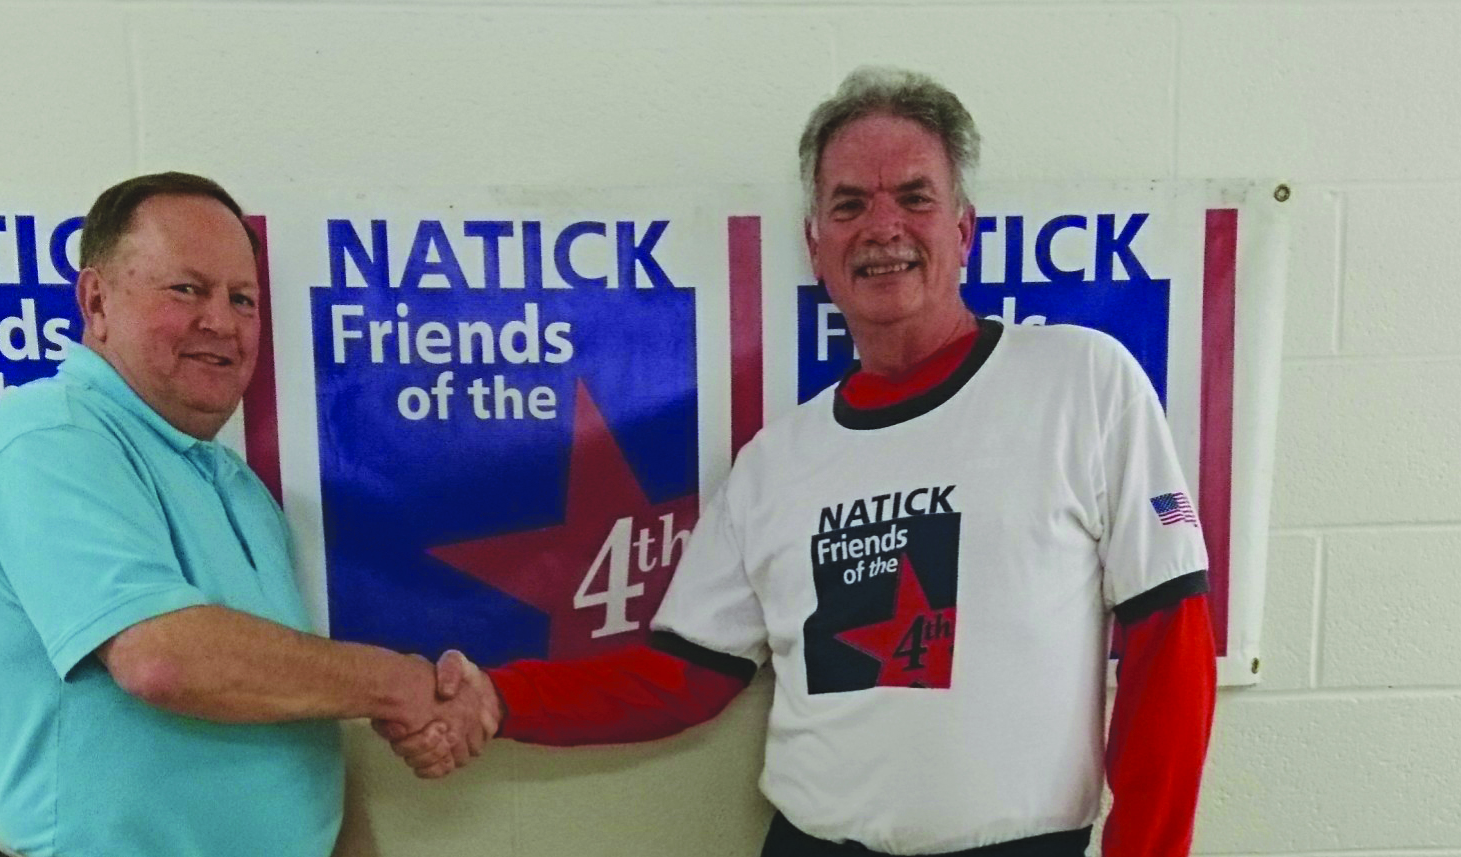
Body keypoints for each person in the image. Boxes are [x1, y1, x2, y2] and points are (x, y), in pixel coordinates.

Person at [387, 67, 1217, 857]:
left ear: (963, 230)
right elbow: (679, 676)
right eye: (849, 204)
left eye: (914, 198)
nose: (882, 227)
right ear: (815, 246)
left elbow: (1169, 645)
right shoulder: (775, 463)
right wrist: (504, 697)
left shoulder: (1081, 381)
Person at [0, 172, 494, 857]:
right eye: (188, 289)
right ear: (96, 300)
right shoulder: (47, 436)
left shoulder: (237, 488)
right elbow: (163, 659)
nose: (222, 321)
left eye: (243, 299)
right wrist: (401, 686)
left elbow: (287, 692)